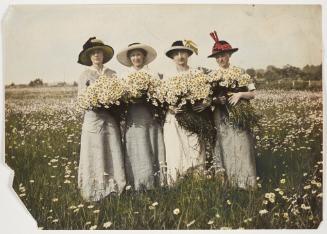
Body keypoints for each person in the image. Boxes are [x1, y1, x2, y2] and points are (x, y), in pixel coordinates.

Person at [77, 37, 126, 201]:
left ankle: (114, 187)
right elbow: (82, 100)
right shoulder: (85, 75)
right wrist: (95, 102)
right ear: (89, 56)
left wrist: (111, 102)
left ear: (103, 55)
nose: (97, 55)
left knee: (112, 148)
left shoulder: (112, 74)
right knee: (95, 151)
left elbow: (119, 96)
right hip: (93, 118)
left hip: (110, 117)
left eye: (99, 52)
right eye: (93, 53)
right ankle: (95, 189)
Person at [208, 31, 257, 189]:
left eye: (223, 55)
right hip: (220, 114)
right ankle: (228, 182)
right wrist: (217, 100)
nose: (220, 59)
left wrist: (240, 94)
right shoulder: (212, 76)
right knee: (225, 143)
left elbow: (253, 94)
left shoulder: (240, 72)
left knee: (242, 143)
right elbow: (207, 98)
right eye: (217, 57)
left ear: (229, 54)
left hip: (238, 112)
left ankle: (246, 183)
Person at [116, 43, 166, 190]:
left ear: (143, 56)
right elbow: (119, 98)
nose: (136, 58)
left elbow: (160, 95)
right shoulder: (124, 76)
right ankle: (138, 182)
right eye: (133, 55)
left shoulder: (152, 74)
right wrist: (128, 98)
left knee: (151, 143)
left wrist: (151, 97)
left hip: (150, 115)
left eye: (138, 55)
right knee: (136, 145)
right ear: (130, 58)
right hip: (133, 116)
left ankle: (156, 181)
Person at [164, 40, 207, 185]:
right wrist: (171, 108)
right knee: (176, 149)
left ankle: (198, 181)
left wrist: (203, 104)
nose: (180, 56)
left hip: (193, 116)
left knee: (196, 147)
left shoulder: (196, 73)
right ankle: (177, 182)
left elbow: (206, 94)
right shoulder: (168, 76)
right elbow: (162, 99)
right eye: (176, 54)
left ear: (188, 55)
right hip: (175, 118)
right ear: (172, 57)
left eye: (183, 53)